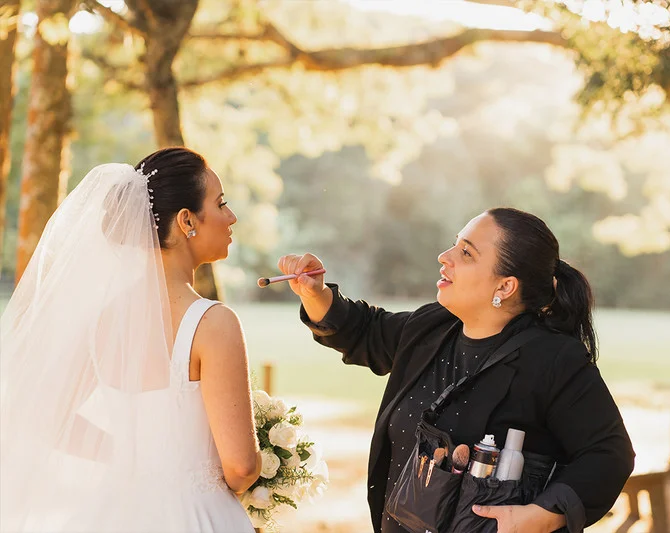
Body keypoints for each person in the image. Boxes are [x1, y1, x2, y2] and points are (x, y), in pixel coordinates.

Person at [279, 208, 635, 533]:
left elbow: (608, 454)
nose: (444, 258)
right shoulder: (431, 327)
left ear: (505, 286)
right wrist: (315, 293)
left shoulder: (554, 359)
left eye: (466, 253)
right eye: (454, 245)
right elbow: (366, 330)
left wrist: (542, 516)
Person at [0, 147, 261, 532]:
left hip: (117, 511)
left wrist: (127, 455)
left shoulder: (102, 321)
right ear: (187, 220)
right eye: (221, 203)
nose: (231, 216)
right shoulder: (213, 324)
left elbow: (46, 415)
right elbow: (240, 465)